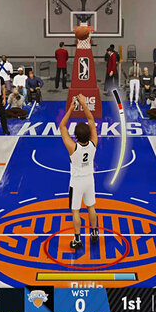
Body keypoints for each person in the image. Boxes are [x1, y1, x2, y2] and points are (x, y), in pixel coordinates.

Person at [60, 93, 99, 250]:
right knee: (91, 207)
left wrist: (71, 108)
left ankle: (77, 240)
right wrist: (84, 104)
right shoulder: (93, 143)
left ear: (75, 136)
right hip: (89, 180)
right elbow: (91, 120)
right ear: (89, 134)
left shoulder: (73, 147)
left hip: (76, 182)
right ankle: (94, 233)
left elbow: (62, 126)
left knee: (75, 210)